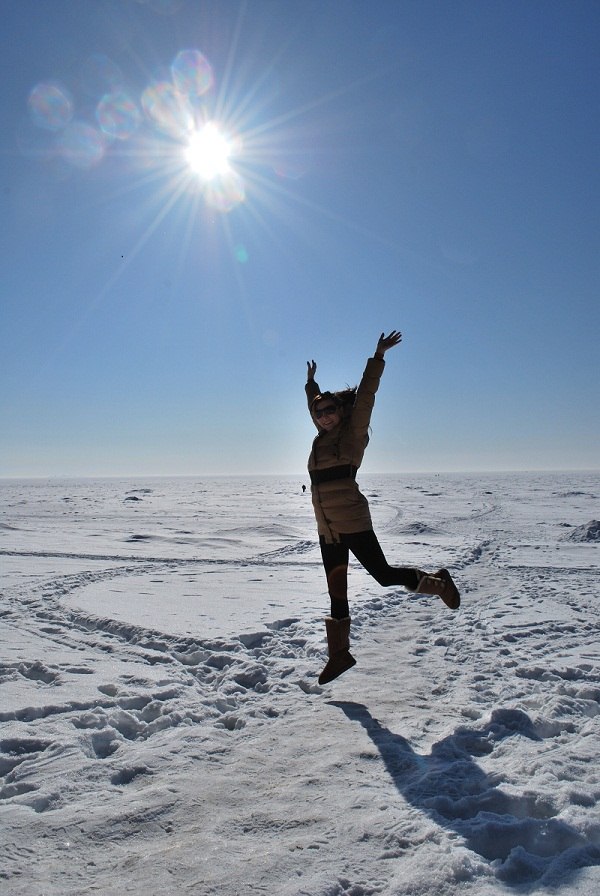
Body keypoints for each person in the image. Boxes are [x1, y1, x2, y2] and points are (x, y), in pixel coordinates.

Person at [306, 330, 460, 685]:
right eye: (319, 412)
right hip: (326, 527)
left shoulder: (352, 433)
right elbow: (314, 403)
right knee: (337, 591)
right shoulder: (320, 439)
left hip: (353, 521)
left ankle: (437, 583)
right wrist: (310, 385)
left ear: (341, 412)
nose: (324, 416)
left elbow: (366, 399)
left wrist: (377, 356)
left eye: (330, 410)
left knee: (383, 575)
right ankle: (339, 655)